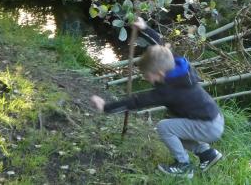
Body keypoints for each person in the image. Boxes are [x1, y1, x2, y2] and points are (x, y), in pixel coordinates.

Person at [89, 18, 223, 178]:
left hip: (207, 126)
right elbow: (161, 45)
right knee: (175, 127)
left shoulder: (168, 90)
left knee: (165, 128)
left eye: (148, 76)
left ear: (159, 74)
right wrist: (144, 28)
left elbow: (137, 101)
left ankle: (184, 165)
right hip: (213, 119)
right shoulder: (177, 64)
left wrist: (106, 107)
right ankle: (207, 154)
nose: (146, 79)